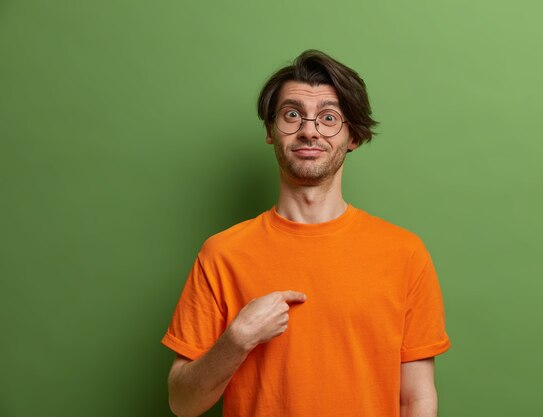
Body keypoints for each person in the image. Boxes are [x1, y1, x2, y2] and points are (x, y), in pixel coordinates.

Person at [162, 50, 451, 417]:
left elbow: (416, 399)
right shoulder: (221, 254)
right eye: (292, 114)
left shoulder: (405, 253)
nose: (309, 130)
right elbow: (182, 403)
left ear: (353, 137)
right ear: (271, 131)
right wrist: (236, 341)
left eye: (329, 118)